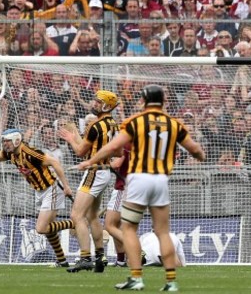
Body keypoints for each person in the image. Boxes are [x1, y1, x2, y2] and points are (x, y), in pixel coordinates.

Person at [76, 85, 205, 292]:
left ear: (143, 101)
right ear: (163, 101)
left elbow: (112, 148)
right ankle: (171, 282)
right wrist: (200, 157)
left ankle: (136, 278)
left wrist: (88, 161)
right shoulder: (174, 124)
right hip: (161, 180)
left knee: (127, 229)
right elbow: (196, 150)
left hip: (137, 180)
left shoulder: (134, 122)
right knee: (162, 232)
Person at [0, 128, 75, 268]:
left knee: (41, 228)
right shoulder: (10, 154)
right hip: (39, 191)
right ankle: (62, 260)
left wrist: (66, 186)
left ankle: (75, 223)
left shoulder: (31, 153)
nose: (5, 144)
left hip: (52, 188)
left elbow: (55, 162)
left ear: (17, 141)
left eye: (7, 141)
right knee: (49, 229)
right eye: (4, 141)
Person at [58, 90, 120, 273]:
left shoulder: (96, 125)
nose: (94, 103)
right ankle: (100, 256)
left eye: (98, 101)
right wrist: (77, 134)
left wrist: (71, 138)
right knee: (92, 216)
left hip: (94, 173)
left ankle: (85, 256)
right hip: (104, 172)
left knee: (76, 216)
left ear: (106, 105)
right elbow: (117, 152)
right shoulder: (113, 124)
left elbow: (80, 152)